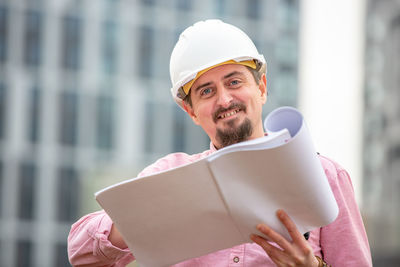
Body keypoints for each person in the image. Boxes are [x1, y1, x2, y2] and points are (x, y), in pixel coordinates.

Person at [68, 20, 372, 267]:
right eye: (206, 91)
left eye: (234, 82)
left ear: (261, 88)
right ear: (191, 111)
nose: (224, 99)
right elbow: (80, 253)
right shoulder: (168, 175)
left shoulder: (324, 176)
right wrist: (147, 218)